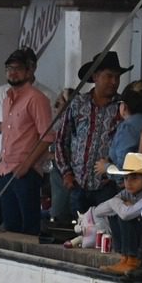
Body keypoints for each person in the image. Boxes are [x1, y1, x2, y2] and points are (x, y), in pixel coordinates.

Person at [0, 46, 52, 236]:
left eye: (18, 68)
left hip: (26, 171)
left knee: (29, 225)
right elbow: (7, 134)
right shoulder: (6, 98)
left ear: (29, 71)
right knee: (10, 223)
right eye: (9, 69)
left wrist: (27, 165)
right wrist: (2, 165)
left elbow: (46, 137)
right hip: (6, 169)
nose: (13, 73)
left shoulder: (37, 99)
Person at [53, 50, 129, 219]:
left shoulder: (122, 107)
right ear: (95, 77)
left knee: (105, 234)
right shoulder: (78, 104)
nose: (114, 82)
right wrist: (66, 173)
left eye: (117, 77)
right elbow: (60, 140)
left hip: (107, 186)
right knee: (79, 232)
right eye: (109, 76)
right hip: (78, 184)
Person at [86, 150, 142, 270]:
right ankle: (125, 258)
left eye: (134, 178)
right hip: (139, 240)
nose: (128, 183)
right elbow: (98, 211)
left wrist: (121, 206)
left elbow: (126, 215)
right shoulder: (126, 193)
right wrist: (120, 204)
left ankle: (133, 260)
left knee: (124, 214)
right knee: (115, 213)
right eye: (126, 178)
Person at [111, 80, 142, 172]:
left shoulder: (127, 128)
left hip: (129, 183)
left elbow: (124, 167)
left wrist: (105, 168)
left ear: (124, 106)